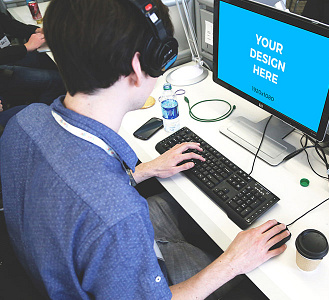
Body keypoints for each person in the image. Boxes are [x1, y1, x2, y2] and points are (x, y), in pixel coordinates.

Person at [0, 0, 289, 299]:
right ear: (139, 66)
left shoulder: (24, 121)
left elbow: (71, 188)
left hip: (66, 261)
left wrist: (143, 170)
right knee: (256, 280)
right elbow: (106, 215)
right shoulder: (117, 218)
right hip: (136, 274)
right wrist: (234, 262)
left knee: (185, 206)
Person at [0, 10, 65, 109]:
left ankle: (36, 97)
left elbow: (9, 25)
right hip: (3, 68)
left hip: (7, 55)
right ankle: (41, 114)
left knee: (46, 59)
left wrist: (36, 30)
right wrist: (25, 48)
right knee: (58, 79)